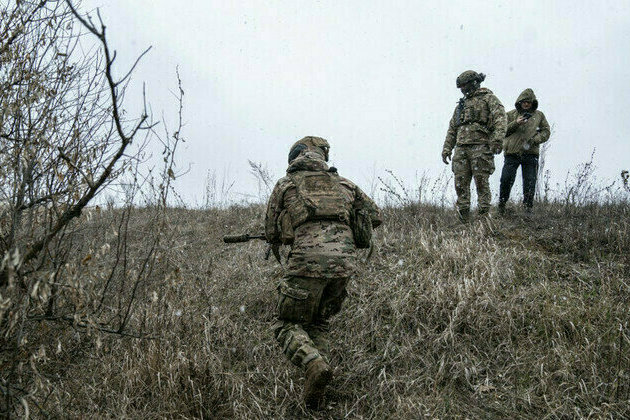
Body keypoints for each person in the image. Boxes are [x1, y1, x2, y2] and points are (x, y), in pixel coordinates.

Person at [265, 136, 382, 409]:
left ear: (295, 156)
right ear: (322, 156)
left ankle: (313, 364)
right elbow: (375, 215)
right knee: (318, 323)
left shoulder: (286, 184)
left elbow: (270, 230)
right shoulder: (345, 184)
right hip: (343, 265)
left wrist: (289, 227)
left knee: (285, 324)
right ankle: (318, 385)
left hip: (306, 264)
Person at [441, 70, 507, 221]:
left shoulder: (488, 98)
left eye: (464, 86)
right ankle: (463, 217)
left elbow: (500, 119)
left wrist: (497, 140)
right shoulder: (461, 105)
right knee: (460, 183)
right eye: (461, 87)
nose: (462, 89)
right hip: (461, 148)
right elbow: (452, 128)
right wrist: (447, 148)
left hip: (481, 147)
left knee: (481, 182)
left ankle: (483, 217)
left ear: (473, 83)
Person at [498, 88, 550, 214]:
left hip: (531, 153)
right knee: (506, 180)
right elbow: (501, 131)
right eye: (524, 102)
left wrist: (535, 140)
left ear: (533, 103)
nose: (526, 104)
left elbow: (546, 131)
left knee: (530, 182)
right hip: (512, 153)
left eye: (529, 102)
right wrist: (516, 123)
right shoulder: (510, 115)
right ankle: (502, 206)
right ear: (519, 102)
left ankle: (527, 209)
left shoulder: (539, 115)